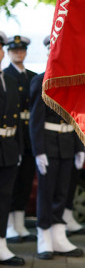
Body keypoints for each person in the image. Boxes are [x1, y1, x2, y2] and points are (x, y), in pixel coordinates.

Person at [29, 56, 85, 259]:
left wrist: (80, 147)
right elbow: (35, 120)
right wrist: (39, 151)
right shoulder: (41, 80)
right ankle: (43, 236)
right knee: (46, 192)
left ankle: (58, 234)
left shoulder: (71, 80)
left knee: (63, 191)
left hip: (68, 142)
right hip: (49, 143)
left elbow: (76, 116)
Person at [4, 35, 37, 243]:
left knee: (25, 181)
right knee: (11, 184)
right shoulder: (5, 75)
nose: (18, 53)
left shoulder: (32, 76)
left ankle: (19, 223)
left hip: (29, 136)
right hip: (13, 135)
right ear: (8, 52)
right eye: (14, 50)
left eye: (21, 50)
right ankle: (8, 226)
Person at [0, 30, 25, 266]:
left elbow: (15, 119)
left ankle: (1, 244)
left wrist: (18, 149)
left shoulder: (9, 80)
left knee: (5, 197)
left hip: (8, 146)